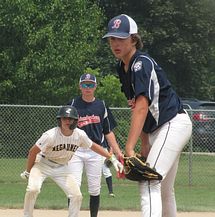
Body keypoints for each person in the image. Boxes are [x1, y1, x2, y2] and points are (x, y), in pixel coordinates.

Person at [103, 14, 192, 217]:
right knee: (163, 188)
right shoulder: (122, 67)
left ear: (133, 39)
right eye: (112, 39)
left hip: (172, 125)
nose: (115, 43)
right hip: (159, 131)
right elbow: (135, 106)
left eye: (121, 38)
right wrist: (143, 143)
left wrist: (129, 147)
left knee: (149, 180)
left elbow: (142, 106)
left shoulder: (141, 63)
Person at [20, 105, 123, 217]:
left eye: (70, 119)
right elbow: (32, 152)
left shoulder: (79, 135)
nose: (67, 121)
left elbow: (93, 146)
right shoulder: (50, 135)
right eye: (64, 118)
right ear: (59, 120)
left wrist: (112, 158)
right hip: (43, 164)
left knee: (76, 195)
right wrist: (28, 171)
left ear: (75, 121)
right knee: (33, 189)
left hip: (62, 167)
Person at [67, 73, 123, 217]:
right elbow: (64, 128)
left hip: (96, 151)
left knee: (94, 188)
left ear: (95, 87)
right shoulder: (72, 104)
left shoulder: (101, 105)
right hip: (76, 150)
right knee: (74, 187)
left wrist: (117, 152)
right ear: (80, 86)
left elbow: (108, 132)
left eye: (90, 84)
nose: (87, 87)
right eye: (84, 84)